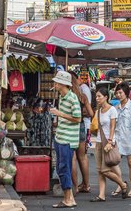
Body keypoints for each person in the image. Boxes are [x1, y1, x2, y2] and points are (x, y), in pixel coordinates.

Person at [49, 71, 81, 209]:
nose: (54, 84)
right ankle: (69, 197)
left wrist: (60, 114)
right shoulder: (62, 97)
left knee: (64, 168)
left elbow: (78, 118)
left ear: (63, 84)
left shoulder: (72, 98)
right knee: (60, 167)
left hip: (68, 140)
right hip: (60, 137)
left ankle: (68, 199)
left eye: (56, 82)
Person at [91, 88, 129, 202]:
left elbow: (113, 127)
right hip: (98, 142)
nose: (97, 98)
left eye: (99, 96)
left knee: (105, 170)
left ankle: (122, 185)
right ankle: (101, 195)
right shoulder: (98, 110)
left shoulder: (112, 109)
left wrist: (110, 141)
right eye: (96, 97)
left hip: (108, 143)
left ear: (106, 97)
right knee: (100, 171)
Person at [112, 84, 131, 198]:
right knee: (114, 162)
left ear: (126, 93)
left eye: (121, 93)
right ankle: (121, 183)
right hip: (118, 137)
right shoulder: (116, 107)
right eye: (117, 93)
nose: (118, 95)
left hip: (130, 136)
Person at [70, 72, 94, 194]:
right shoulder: (82, 95)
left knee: (72, 158)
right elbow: (91, 113)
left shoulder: (67, 95)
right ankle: (86, 185)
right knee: (83, 156)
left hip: (69, 127)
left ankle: (74, 187)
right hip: (81, 126)